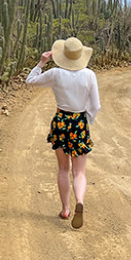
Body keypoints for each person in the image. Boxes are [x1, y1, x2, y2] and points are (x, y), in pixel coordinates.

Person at [26, 37, 101, 229]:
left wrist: (42, 62)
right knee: (79, 172)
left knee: (63, 169)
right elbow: (96, 105)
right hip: (79, 122)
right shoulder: (89, 75)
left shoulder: (56, 73)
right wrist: (87, 120)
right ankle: (80, 201)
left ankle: (65, 209)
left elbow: (31, 81)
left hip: (61, 121)